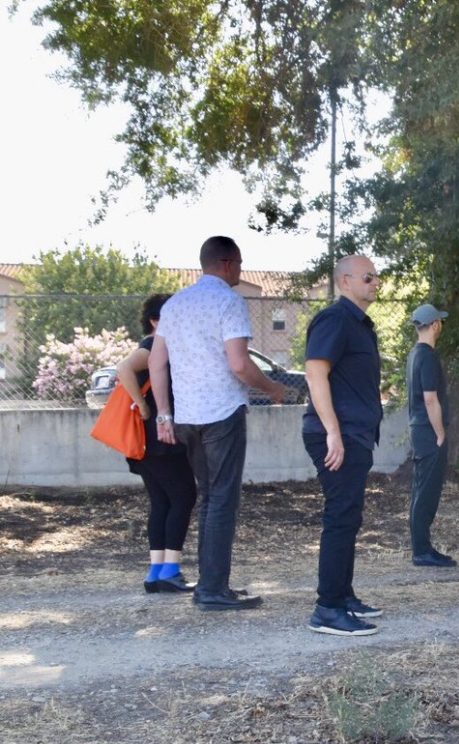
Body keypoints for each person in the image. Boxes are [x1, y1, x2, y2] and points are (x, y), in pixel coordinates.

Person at [149, 236, 287, 611]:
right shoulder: (229, 301)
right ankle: (212, 590)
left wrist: (164, 413)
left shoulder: (175, 305)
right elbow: (239, 364)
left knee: (210, 498)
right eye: (239, 264)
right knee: (222, 500)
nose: (241, 271)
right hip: (223, 413)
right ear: (226, 263)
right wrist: (273, 388)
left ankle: (211, 584)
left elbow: (156, 362)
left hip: (186, 416)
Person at [301, 255, 385, 636]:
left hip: (355, 434)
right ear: (345, 281)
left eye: (377, 277)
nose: (375, 282)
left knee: (349, 517)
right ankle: (328, 608)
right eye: (368, 277)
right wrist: (333, 431)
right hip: (338, 435)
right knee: (340, 516)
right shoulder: (335, 319)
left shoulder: (360, 325)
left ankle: (344, 596)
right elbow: (315, 372)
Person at [116, 293, 198, 594]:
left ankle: (157, 573)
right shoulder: (152, 345)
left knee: (163, 501)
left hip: (148, 439)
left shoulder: (161, 345)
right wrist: (143, 406)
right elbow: (124, 367)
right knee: (184, 496)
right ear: (155, 321)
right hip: (160, 438)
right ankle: (170, 570)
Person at [406, 303, 456, 567]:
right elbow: (429, 398)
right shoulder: (427, 356)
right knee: (427, 492)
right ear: (435, 325)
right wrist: (440, 434)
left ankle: (421, 547)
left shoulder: (414, 354)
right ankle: (422, 551)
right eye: (441, 322)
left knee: (420, 489)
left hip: (419, 430)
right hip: (428, 432)